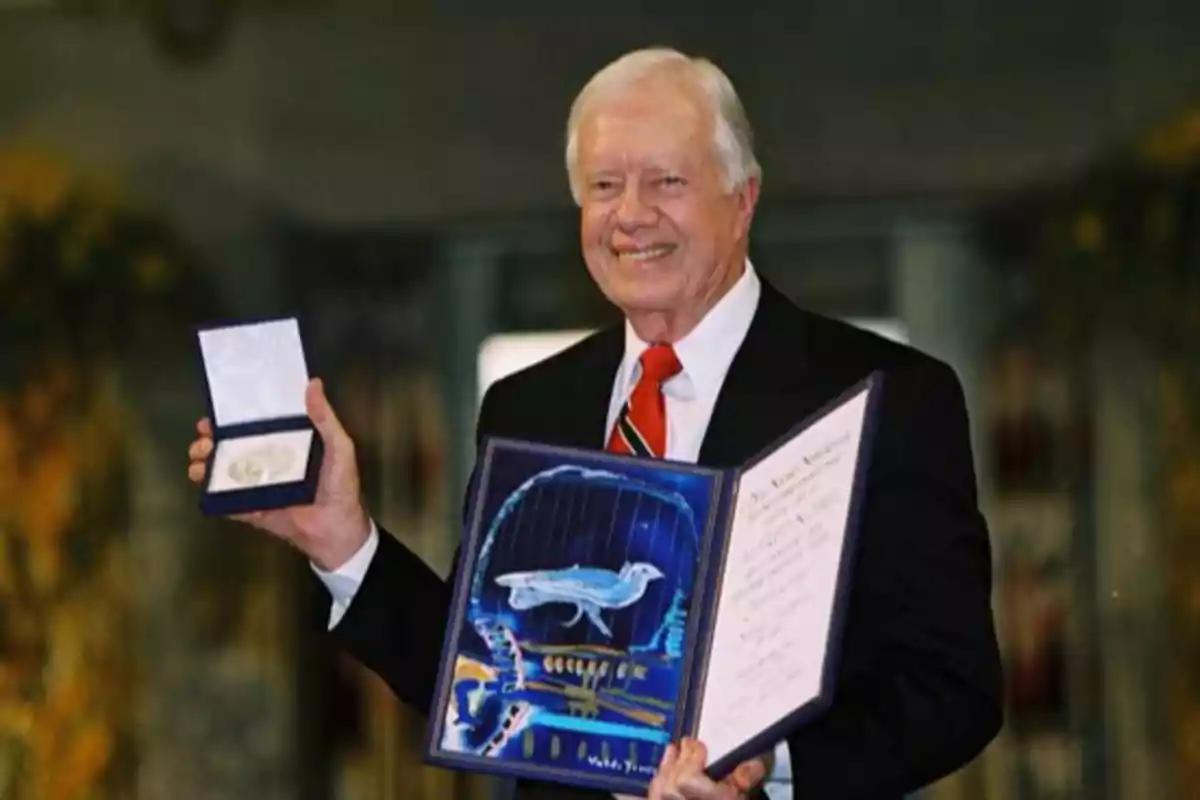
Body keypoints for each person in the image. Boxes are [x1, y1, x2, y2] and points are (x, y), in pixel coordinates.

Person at [188, 47, 1003, 800]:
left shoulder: (883, 394)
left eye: (668, 183)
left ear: (744, 198)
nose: (631, 216)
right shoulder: (530, 405)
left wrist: (769, 768)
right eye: (605, 187)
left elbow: (952, 687)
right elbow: (491, 672)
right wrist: (343, 540)